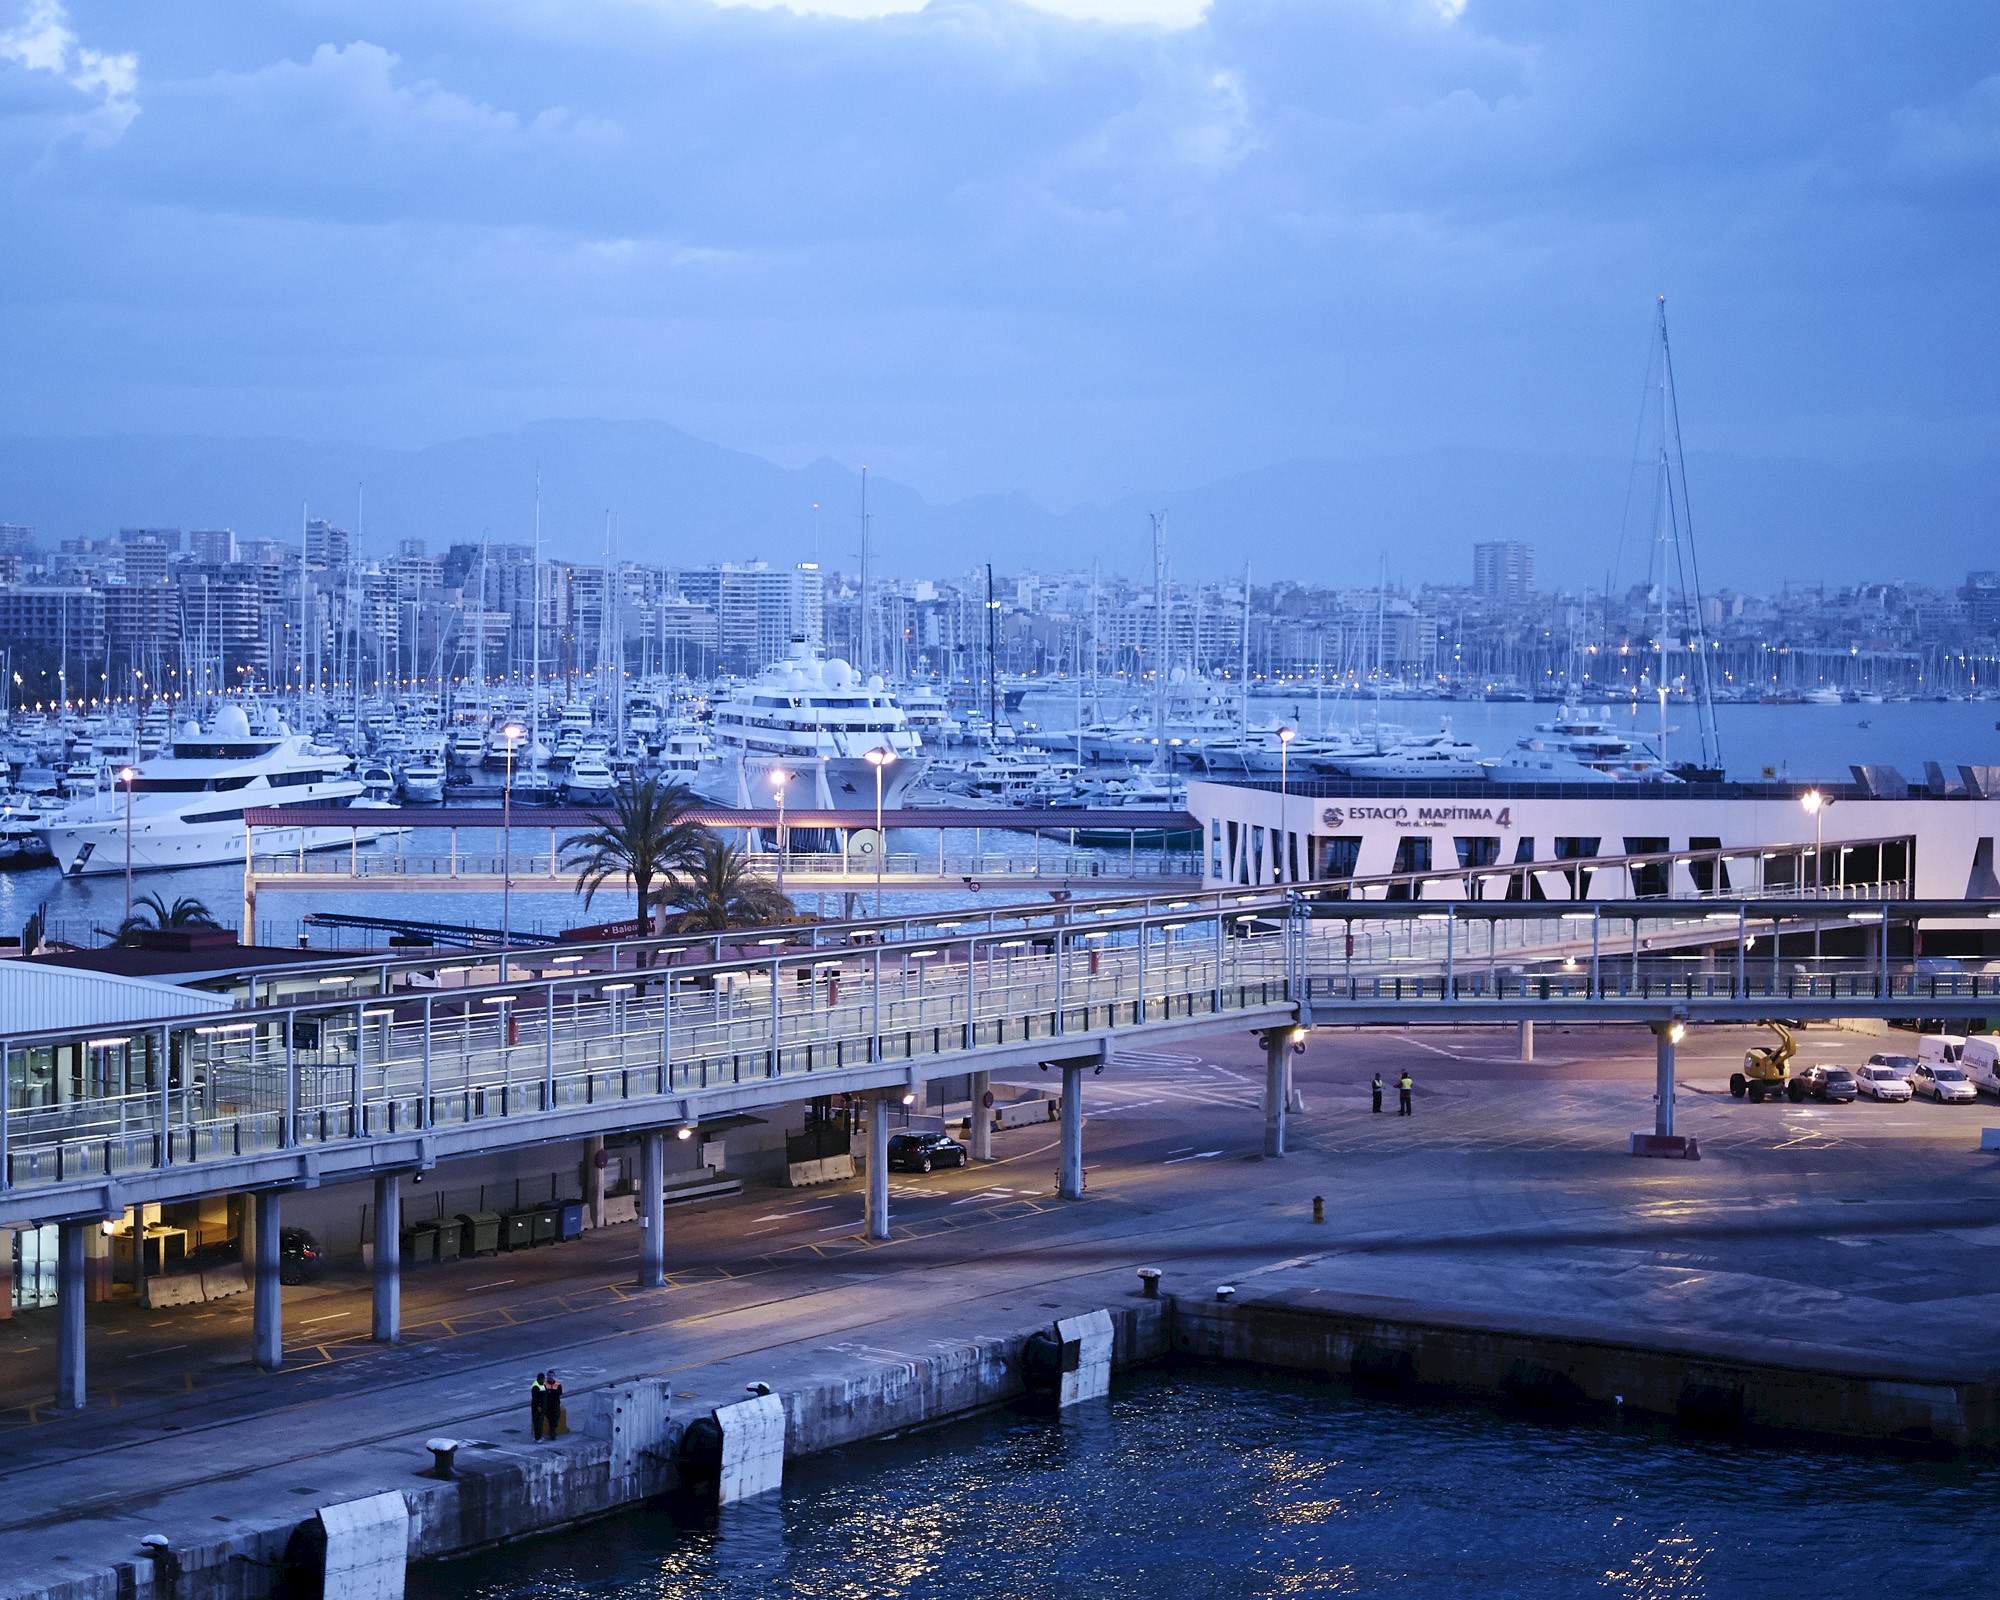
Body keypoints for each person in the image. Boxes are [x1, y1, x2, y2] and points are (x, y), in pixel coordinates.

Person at [541, 1369, 565, 1438]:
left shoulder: (558, 1385)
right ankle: (552, 1433)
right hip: (547, 1405)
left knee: (555, 1418)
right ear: (547, 1376)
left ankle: (552, 1432)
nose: (550, 1377)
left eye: (552, 1375)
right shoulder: (544, 1384)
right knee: (550, 1419)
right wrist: (552, 1392)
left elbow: (559, 1393)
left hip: (555, 1404)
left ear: (554, 1376)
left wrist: (550, 1392)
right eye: (549, 1375)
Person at [530, 1372, 548, 1440]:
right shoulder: (535, 1386)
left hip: (541, 1406)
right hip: (537, 1407)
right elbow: (535, 1398)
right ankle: (537, 1438)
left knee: (540, 1422)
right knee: (537, 1422)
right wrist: (538, 1406)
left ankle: (539, 1436)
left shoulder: (542, 1384)